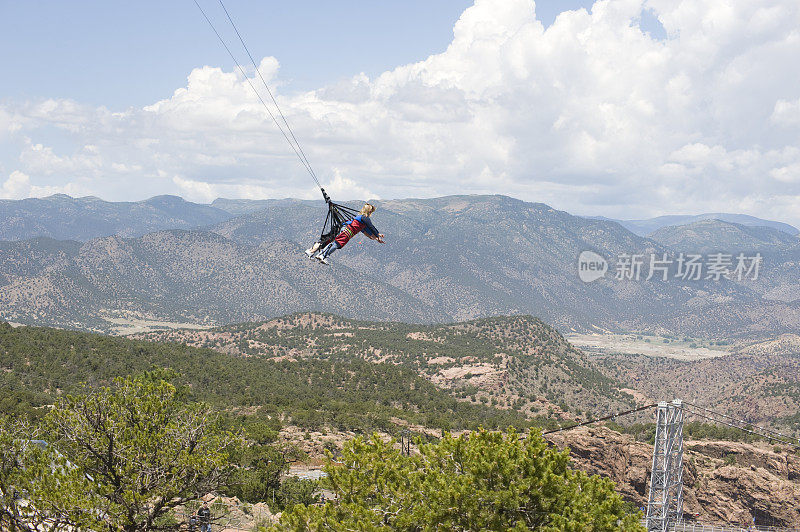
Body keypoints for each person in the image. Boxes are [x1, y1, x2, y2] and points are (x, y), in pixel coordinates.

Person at [315, 203, 384, 264]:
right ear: (369, 211)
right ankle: (324, 256)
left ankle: (321, 254)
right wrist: (377, 234)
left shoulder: (360, 219)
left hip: (347, 230)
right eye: (371, 211)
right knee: (337, 244)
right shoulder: (365, 218)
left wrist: (377, 237)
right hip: (348, 231)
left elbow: (366, 231)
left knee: (335, 243)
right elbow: (371, 226)